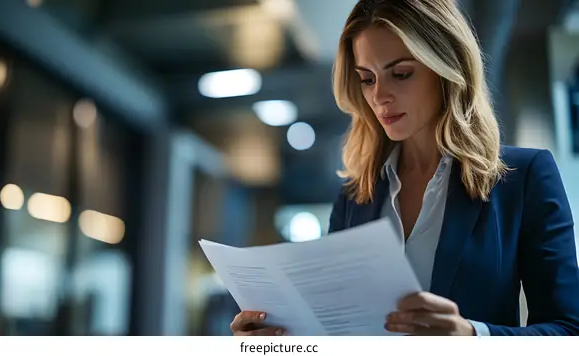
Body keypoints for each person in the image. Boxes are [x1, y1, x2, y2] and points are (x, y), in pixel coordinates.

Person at [230, 0, 579, 336]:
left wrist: (474, 337)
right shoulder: (355, 197)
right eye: (367, 78)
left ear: (447, 68)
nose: (380, 96)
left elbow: (568, 331)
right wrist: (277, 337)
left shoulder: (526, 177)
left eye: (400, 74)